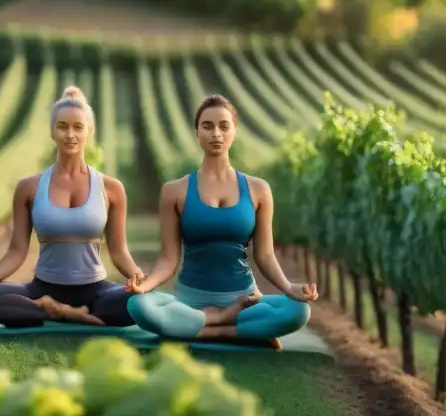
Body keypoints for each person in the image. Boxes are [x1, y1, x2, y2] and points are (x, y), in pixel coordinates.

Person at [125, 94, 317, 344]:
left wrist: (289, 287)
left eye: (224, 126)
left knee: (299, 311)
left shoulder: (258, 189)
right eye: (207, 126)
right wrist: (145, 285)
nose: (216, 133)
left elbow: (265, 255)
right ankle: (224, 323)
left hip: (245, 300)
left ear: (234, 131)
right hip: (190, 303)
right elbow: (168, 259)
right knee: (138, 305)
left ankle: (205, 330)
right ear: (197, 133)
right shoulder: (174, 190)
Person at [0, 86, 144, 328]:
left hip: (95, 293)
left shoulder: (111, 188)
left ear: (89, 132)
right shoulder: (28, 187)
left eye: (78, 127)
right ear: (52, 132)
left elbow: (119, 251)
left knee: (141, 302)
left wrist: (137, 277)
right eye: (62, 126)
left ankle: (53, 313)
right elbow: (17, 251)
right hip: (42, 291)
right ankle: (58, 311)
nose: (70, 134)